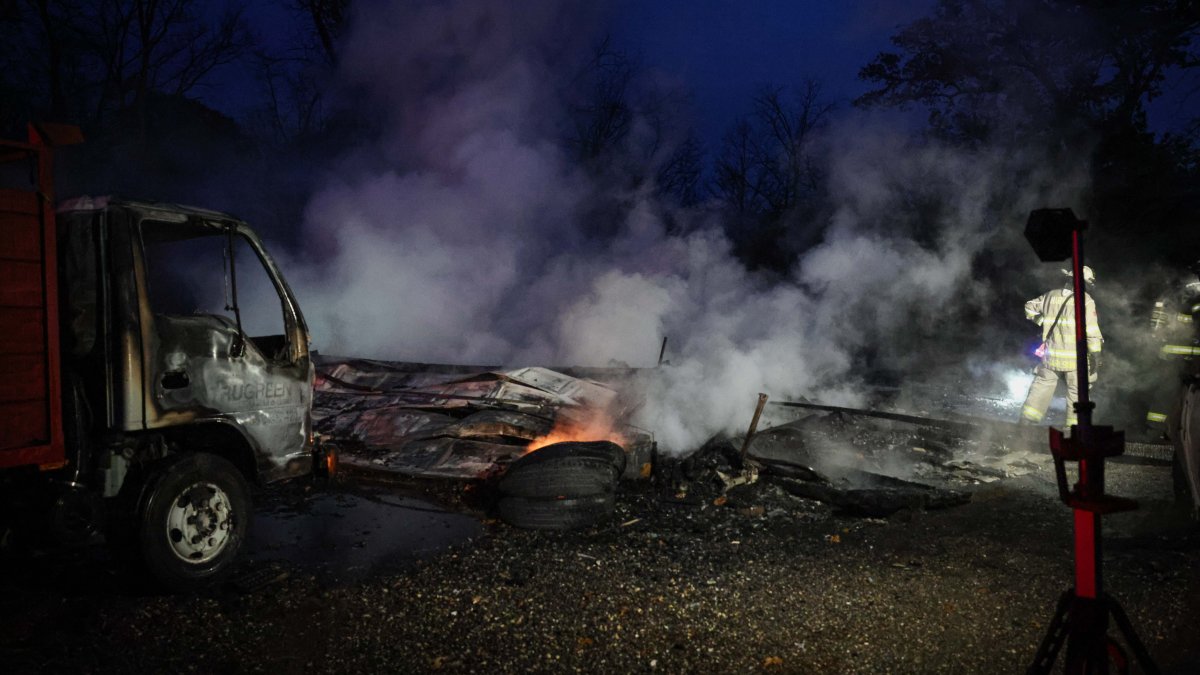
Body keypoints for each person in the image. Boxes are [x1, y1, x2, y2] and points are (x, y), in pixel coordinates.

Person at [1146, 260, 1200, 516]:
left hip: (1174, 357)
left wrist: (1160, 345)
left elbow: (1157, 328)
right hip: (1191, 362)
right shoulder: (1191, 295)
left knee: (1169, 397)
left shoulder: (1171, 295)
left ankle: (1160, 429)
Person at [1019, 265, 1103, 427]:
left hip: (1051, 356)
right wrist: (1096, 355)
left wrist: (1042, 322)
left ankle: (1025, 423)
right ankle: (1075, 429)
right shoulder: (1086, 301)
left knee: (1042, 387)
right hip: (1075, 360)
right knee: (1078, 393)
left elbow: (1028, 307)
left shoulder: (1051, 296)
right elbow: (1091, 331)